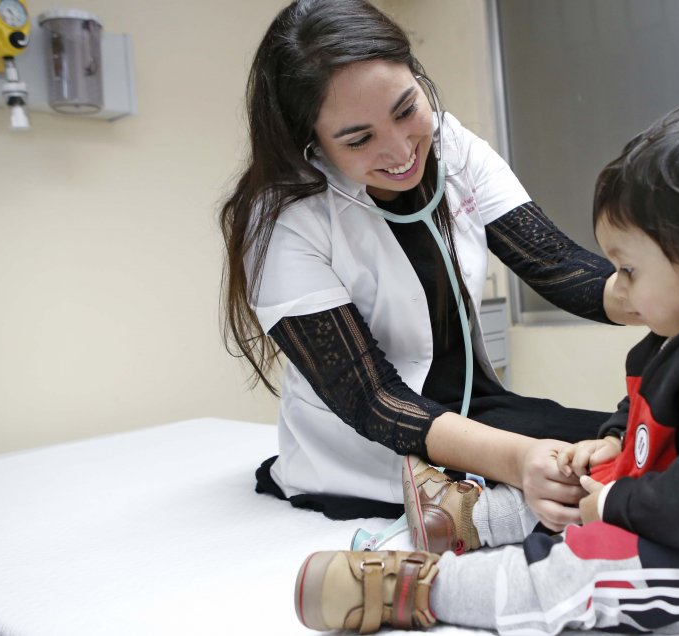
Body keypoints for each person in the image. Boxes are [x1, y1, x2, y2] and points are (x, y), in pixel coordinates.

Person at [293, 102, 679, 635]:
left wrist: (613, 507)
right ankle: (469, 520)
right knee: (565, 476)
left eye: (629, 270)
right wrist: (608, 446)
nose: (621, 288)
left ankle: (423, 590)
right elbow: (646, 412)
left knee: (591, 571)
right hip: (677, 509)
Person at [219, 0, 637, 530]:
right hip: (370, 445)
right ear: (312, 146)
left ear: (418, 77)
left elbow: (558, 266)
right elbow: (372, 399)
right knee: (589, 487)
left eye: (405, 109)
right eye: (358, 138)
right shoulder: (284, 221)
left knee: (647, 449)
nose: (401, 150)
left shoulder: (454, 147)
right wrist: (519, 462)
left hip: (476, 410)